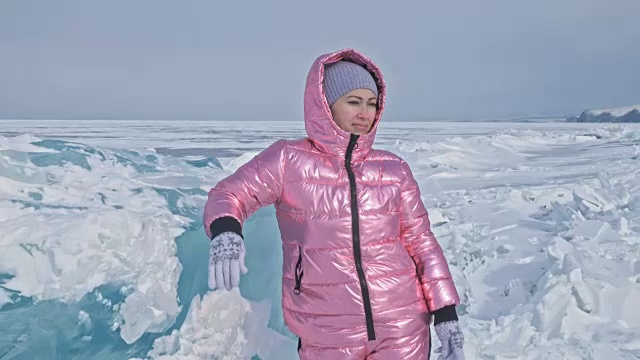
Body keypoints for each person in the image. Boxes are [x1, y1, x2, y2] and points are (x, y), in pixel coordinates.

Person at [203, 48, 464, 360]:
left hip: (403, 326)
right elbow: (228, 194)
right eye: (353, 101)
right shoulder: (289, 161)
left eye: (372, 103)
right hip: (324, 331)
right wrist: (226, 230)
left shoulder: (394, 170)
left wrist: (446, 313)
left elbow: (421, 243)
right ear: (325, 105)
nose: (364, 113)